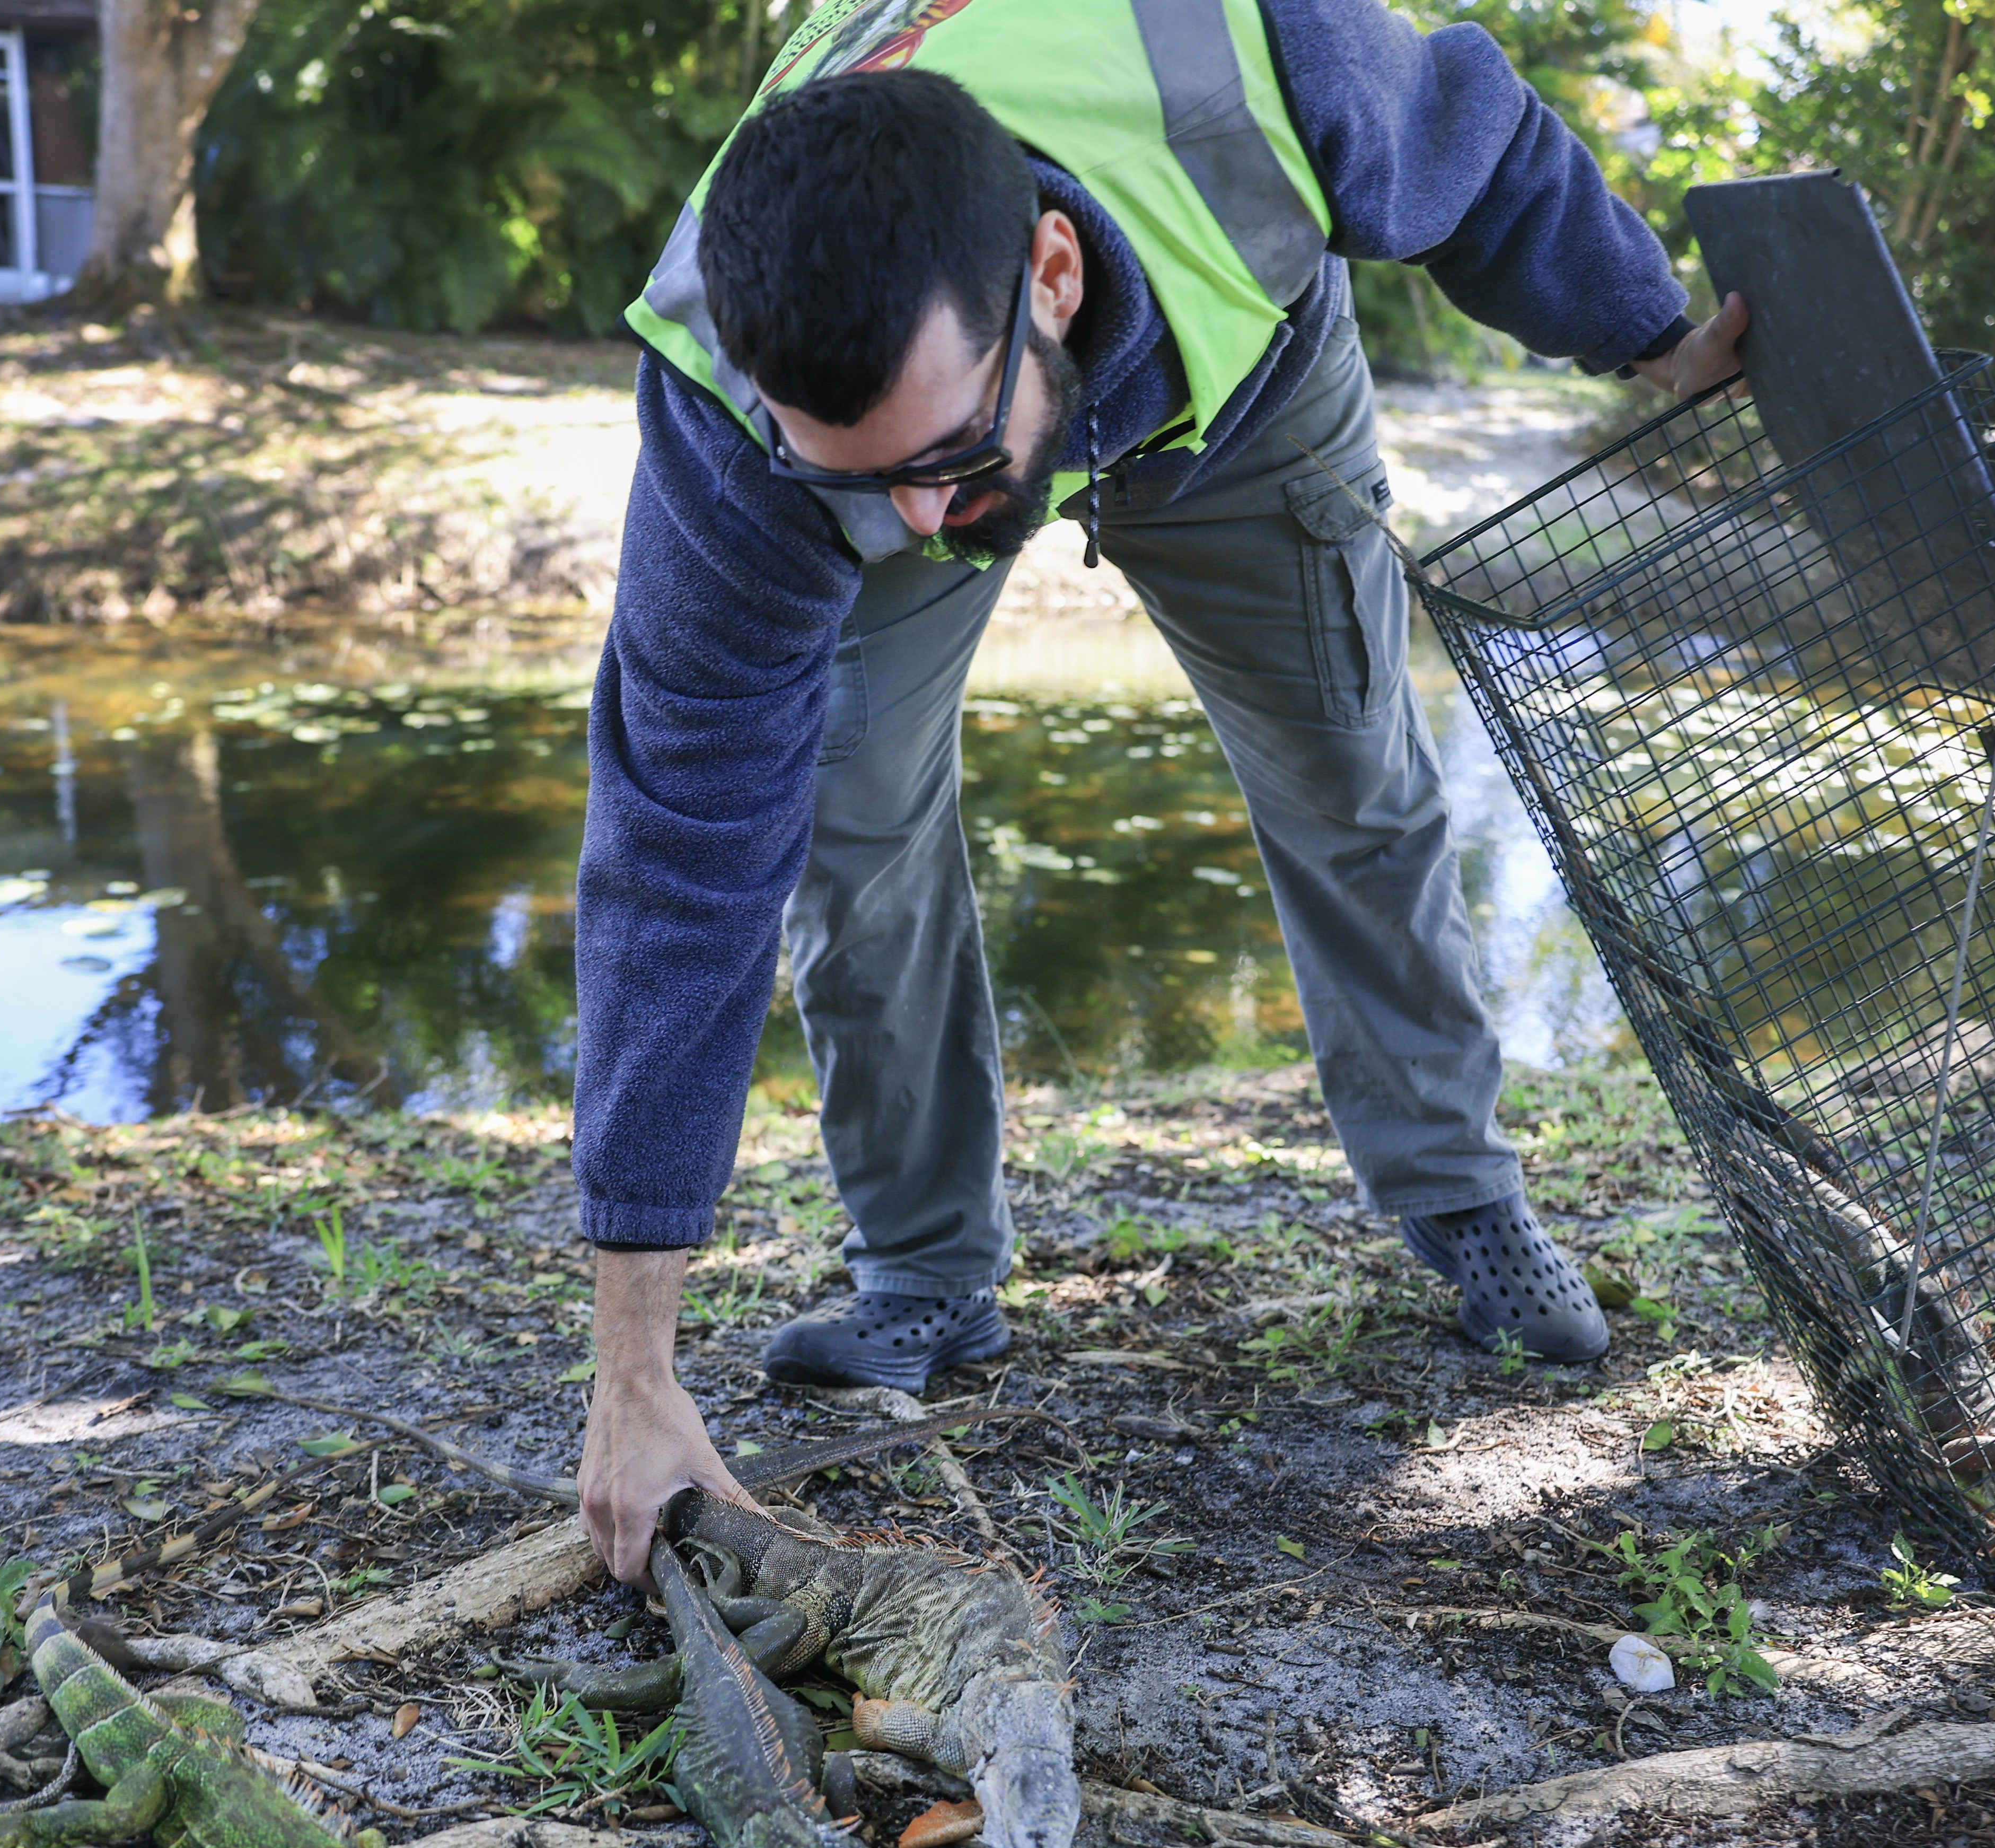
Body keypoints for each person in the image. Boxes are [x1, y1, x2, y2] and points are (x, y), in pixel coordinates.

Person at [572, 0, 1747, 1585]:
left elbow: (1485, 153)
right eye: (862, 479)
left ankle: (1462, 1198)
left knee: (1353, 770)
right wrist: (632, 1380)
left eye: (943, 459)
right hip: (930, 409)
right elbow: (679, 857)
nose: (923, 523)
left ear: (1051, 273)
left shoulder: (1261, 54)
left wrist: (1647, 329)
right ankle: (925, 1272)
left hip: (1240, 389)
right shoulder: (735, 413)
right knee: (845, 812)